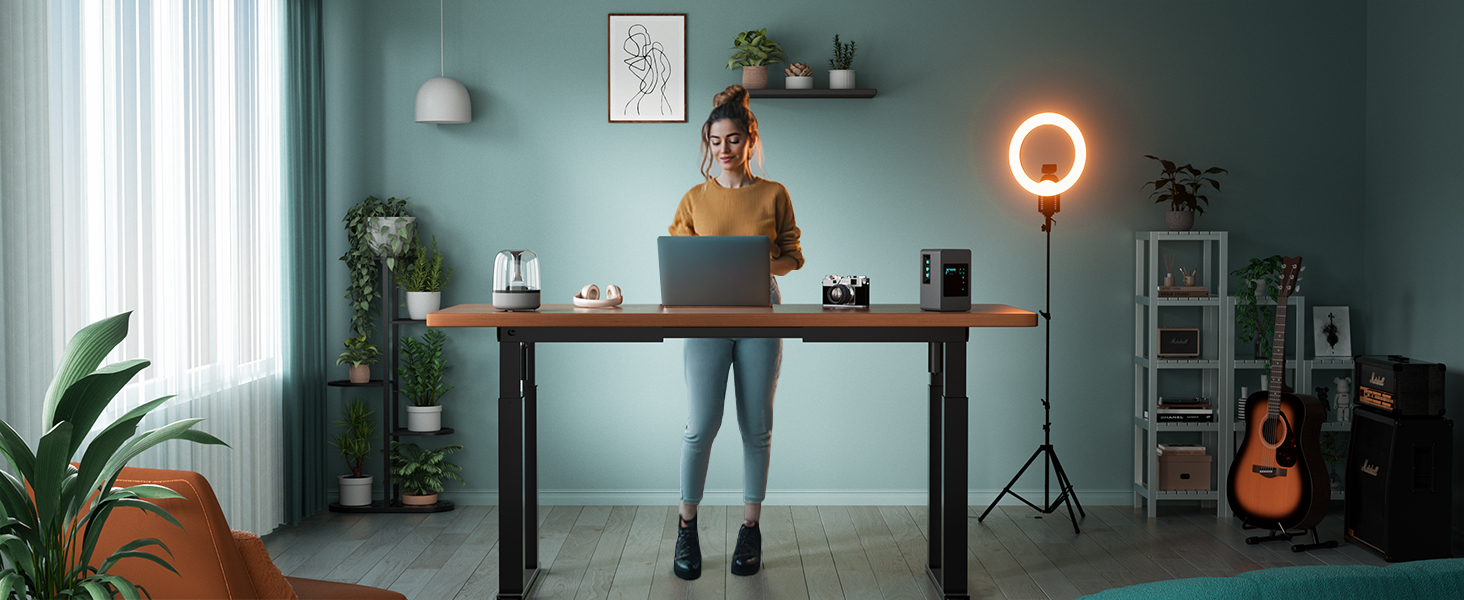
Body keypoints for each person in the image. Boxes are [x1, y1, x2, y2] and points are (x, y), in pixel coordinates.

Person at [666, 84, 804, 580]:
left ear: (750, 140)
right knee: (700, 424)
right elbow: (676, 262)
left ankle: (751, 529)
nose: (724, 149)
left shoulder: (774, 194)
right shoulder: (694, 199)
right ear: (708, 143)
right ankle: (687, 527)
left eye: (734, 140)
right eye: (716, 141)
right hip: (704, 317)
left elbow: (792, 257)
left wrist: (763, 258)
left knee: (756, 425)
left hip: (760, 312)